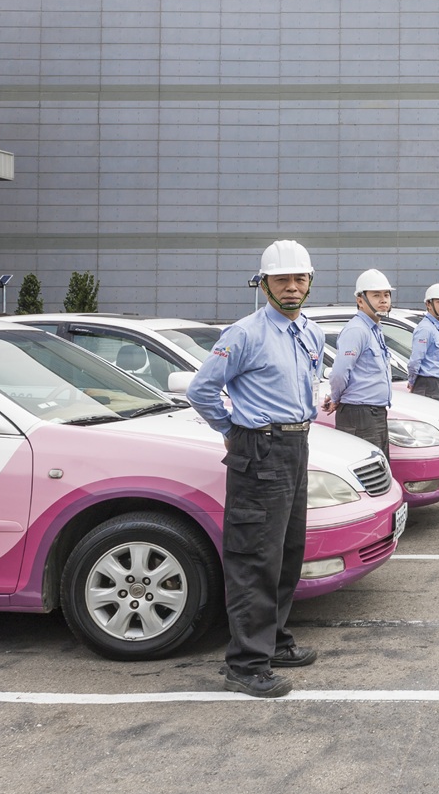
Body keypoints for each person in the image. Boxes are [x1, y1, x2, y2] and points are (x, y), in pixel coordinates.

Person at [187, 239, 325, 699]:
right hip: (260, 448)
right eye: (281, 280)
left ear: (310, 282)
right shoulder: (244, 334)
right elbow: (202, 390)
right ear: (264, 284)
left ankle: (274, 642)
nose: (291, 287)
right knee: (254, 558)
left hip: (296, 445)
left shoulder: (310, 332)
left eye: (299, 279)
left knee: (286, 552)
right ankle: (246, 664)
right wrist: (232, 430)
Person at [324, 268, 395, 460]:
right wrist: (335, 397)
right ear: (360, 300)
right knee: (365, 469)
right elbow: (339, 373)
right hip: (360, 415)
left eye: (386, 294)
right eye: (376, 295)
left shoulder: (374, 329)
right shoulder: (357, 330)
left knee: (378, 469)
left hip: (374, 414)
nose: (383, 300)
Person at [408, 282, 439, 402]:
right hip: (427, 384)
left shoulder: (438, 327)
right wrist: (412, 382)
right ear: (428, 304)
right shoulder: (425, 329)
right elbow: (415, 361)